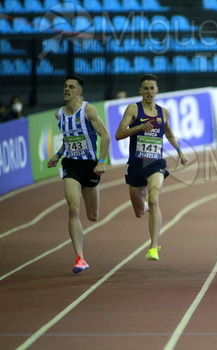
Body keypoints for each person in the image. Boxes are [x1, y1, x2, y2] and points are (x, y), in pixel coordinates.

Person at [115, 74, 188, 261]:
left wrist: (180, 152)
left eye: (152, 88)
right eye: (146, 88)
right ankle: (146, 207)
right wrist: (138, 128)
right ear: (140, 90)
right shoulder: (133, 109)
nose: (149, 92)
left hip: (155, 163)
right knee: (139, 211)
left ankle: (154, 246)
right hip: (135, 166)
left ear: (157, 90)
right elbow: (119, 134)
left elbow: (169, 133)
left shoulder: (164, 112)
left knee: (154, 200)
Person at [46, 74, 110, 274]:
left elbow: (105, 136)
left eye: (71, 87)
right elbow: (68, 139)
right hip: (71, 165)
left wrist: (100, 162)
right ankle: (80, 257)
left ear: (79, 91)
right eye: (65, 86)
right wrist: (58, 155)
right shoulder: (59, 114)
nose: (67, 89)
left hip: (90, 166)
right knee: (73, 209)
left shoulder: (88, 109)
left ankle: (81, 255)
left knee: (93, 216)